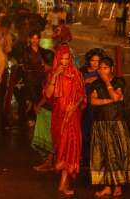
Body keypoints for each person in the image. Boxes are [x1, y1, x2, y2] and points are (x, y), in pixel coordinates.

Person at [90, 56, 130, 197]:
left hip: (116, 123)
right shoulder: (96, 84)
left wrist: (107, 83)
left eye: (105, 68)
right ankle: (107, 187)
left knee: (116, 154)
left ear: (111, 69)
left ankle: (117, 186)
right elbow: (93, 101)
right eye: (100, 68)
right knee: (103, 155)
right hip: (100, 123)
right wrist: (108, 100)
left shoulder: (118, 81)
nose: (102, 70)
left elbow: (117, 97)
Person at [44, 45, 86, 195]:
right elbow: (48, 95)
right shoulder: (52, 74)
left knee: (71, 146)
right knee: (61, 146)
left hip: (72, 116)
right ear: (57, 59)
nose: (64, 61)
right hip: (58, 117)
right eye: (61, 58)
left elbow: (82, 96)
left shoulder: (76, 74)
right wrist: (55, 76)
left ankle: (63, 183)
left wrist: (73, 107)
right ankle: (64, 181)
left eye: (67, 58)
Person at [80, 48, 106, 168]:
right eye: (92, 60)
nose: (95, 63)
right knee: (84, 132)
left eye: (98, 61)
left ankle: (96, 158)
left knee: (97, 132)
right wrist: (86, 81)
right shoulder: (82, 71)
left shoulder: (103, 72)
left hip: (97, 106)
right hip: (83, 105)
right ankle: (84, 157)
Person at [32, 50, 55, 172]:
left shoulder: (51, 74)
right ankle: (50, 161)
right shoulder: (53, 73)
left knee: (49, 136)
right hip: (52, 108)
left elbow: (48, 94)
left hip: (49, 109)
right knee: (51, 136)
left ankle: (49, 162)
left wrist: (38, 105)